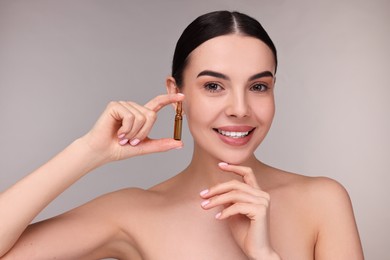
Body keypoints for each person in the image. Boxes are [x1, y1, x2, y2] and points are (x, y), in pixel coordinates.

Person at [0, 10, 363, 260]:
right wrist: (88, 151)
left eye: (258, 86)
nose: (240, 108)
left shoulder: (322, 201)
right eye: (214, 86)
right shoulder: (131, 212)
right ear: (178, 92)